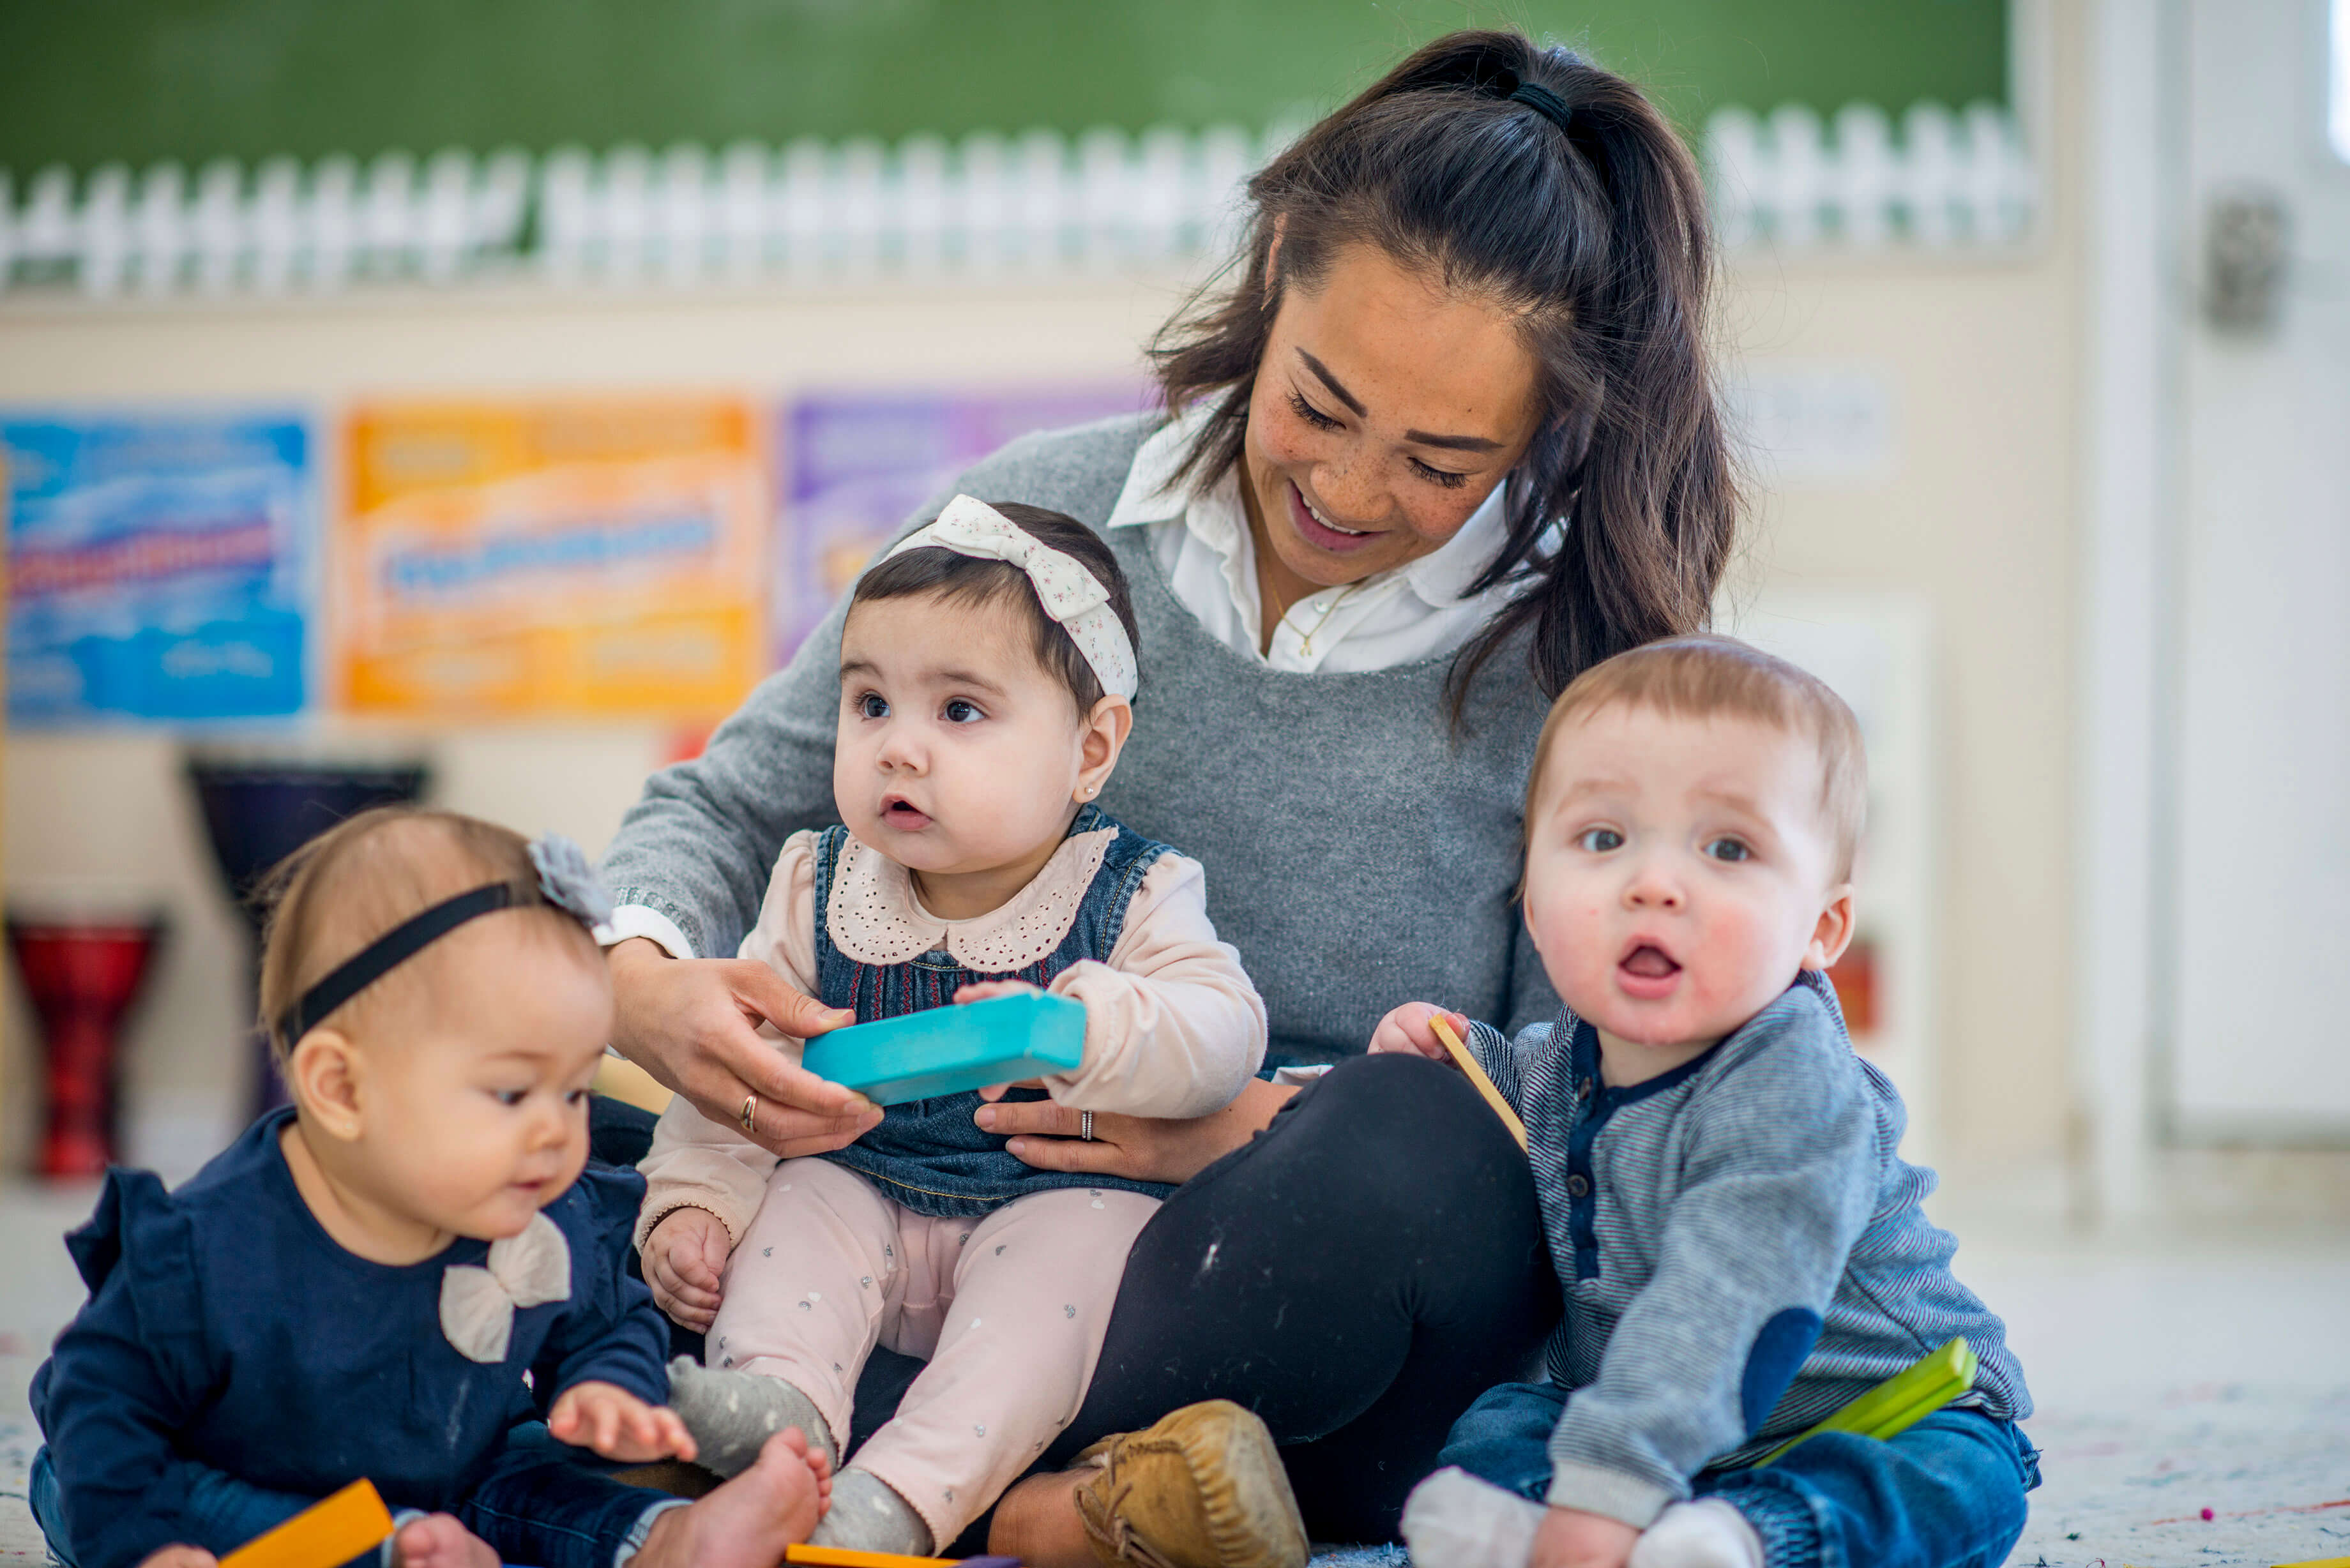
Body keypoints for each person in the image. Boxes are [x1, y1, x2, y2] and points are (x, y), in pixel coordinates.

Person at [595, 26, 1738, 1554]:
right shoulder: (1035, 519)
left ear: (1550, 433)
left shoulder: (1586, 675)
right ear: (1274, 267)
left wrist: (1245, 1125)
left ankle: (899, 1463)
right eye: (1318, 405)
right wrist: (644, 979)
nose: (1343, 490)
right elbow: (727, 803)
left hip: (1268, 1286)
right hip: (883, 1206)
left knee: (1418, 1154)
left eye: (1438, 460)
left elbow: (1586, 1103)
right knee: (507, 1159)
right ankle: (1042, 1495)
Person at [631, 498, 1278, 1562]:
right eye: (871, 704)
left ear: (1091, 749)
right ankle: (777, 1405)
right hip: (860, 1181)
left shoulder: (1135, 890)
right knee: (799, 1204)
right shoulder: (818, 882)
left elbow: (1223, 1035)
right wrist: (691, 1206)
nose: (901, 751)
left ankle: (897, 1498)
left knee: (1068, 1280)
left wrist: (1091, 1025)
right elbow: (741, 1076)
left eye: (960, 712)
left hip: (1046, 1201)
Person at [1378, 636, 2036, 1568]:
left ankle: (1745, 1542)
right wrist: (1445, 1057)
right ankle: (1536, 1522)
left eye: (1727, 848)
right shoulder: (1576, 1049)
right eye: (1603, 840)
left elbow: (1723, 1311)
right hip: (1651, 1413)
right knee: (1507, 1416)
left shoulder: (1794, 1092)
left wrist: (1607, 1493)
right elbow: (1515, 1081)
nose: (1653, 884)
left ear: (1820, 929)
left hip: (1879, 1406)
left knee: (1963, 1482)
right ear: (1534, 900)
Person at [29, 810, 833, 1568]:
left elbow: (606, 1320)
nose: (558, 1131)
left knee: (528, 1473)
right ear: (342, 1088)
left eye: (575, 1089)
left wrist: (604, 1386)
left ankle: (665, 1537)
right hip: (241, 1476)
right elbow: (98, 1395)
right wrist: (142, 1544)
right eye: (513, 1093)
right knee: (90, 1481)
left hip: (450, 1464)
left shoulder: (538, 1206)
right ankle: (380, 1544)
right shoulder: (210, 1246)